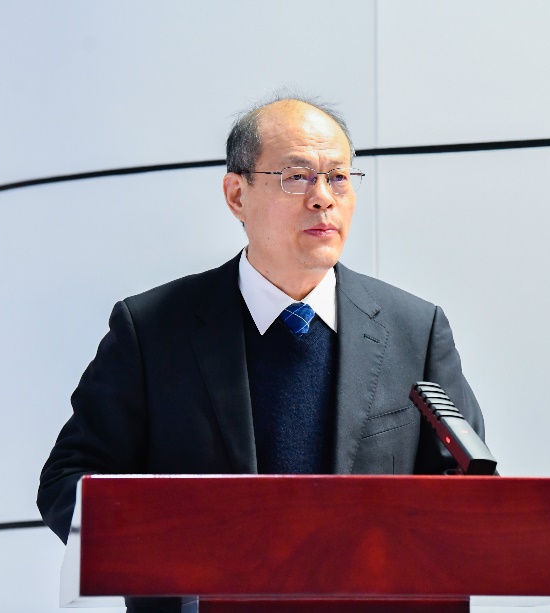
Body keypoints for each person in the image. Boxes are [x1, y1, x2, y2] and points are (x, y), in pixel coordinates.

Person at [38, 97, 494, 604]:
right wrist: (178, 549)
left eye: (338, 178)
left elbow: (470, 495)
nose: (323, 199)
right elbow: (67, 482)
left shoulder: (415, 329)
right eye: (297, 177)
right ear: (237, 195)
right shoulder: (152, 330)